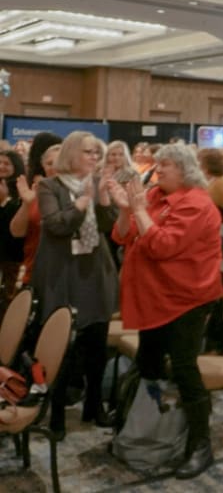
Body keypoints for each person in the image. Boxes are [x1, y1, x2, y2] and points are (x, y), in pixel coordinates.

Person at [108, 143, 223, 479]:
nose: (157, 171)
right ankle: (149, 429)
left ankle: (200, 445)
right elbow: (122, 235)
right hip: (154, 298)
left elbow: (162, 245)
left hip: (185, 299)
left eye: (165, 166)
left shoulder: (197, 204)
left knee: (184, 369)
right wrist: (126, 209)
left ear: (185, 170)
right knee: (149, 363)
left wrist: (139, 209)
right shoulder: (155, 196)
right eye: (157, 165)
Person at [32, 132, 118, 439]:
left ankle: (94, 406)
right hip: (63, 273)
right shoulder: (49, 186)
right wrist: (81, 203)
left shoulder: (97, 183)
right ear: (71, 154)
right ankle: (56, 414)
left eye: (97, 153)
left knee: (97, 344)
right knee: (63, 347)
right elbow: (56, 225)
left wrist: (104, 199)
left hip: (95, 271)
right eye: (88, 152)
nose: (94, 157)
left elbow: (109, 227)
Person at [10, 135, 61, 288]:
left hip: (66, 275)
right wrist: (27, 204)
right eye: (49, 163)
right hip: (34, 272)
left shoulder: (79, 193)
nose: (54, 167)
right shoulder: (36, 192)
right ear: (43, 166)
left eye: (59, 162)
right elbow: (17, 232)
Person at [0, 149, 26, 301]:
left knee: (8, 297)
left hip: (13, 255)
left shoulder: (22, 188)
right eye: (0, 162)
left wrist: (4, 201)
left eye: (6, 163)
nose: (1, 166)